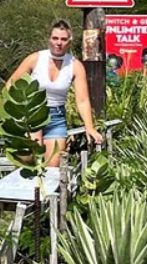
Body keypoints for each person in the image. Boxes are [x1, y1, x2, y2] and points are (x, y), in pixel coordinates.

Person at [6, 19, 102, 166]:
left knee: (53, 166)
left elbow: (82, 100)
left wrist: (89, 127)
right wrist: (18, 112)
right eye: (55, 38)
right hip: (32, 114)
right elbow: (10, 85)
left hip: (56, 117)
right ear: (49, 39)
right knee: (28, 160)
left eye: (63, 39)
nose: (59, 43)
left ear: (69, 42)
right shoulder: (35, 59)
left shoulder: (75, 65)